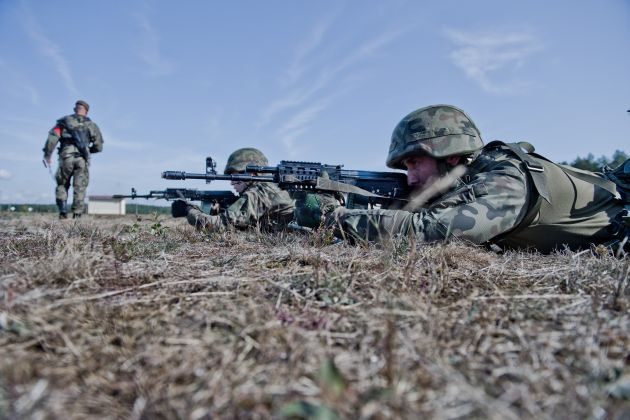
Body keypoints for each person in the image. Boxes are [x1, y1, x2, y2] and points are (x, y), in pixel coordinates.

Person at [327, 104, 629, 253]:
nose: (409, 176)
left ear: (452, 157)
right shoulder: (469, 180)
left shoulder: (506, 181)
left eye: (415, 162)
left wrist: (334, 218)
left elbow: (434, 232)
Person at [171, 148, 296, 232]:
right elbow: (247, 224)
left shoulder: (258, 193)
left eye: (236, 177)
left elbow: (218, 226)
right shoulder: (271, 187)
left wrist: (188, 210)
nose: (231, 183)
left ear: (252, 173)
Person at [43, 100, 104, 219]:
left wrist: (47, 156)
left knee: (62, 184)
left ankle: (63, 212)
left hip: (66, 157)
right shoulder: (91, 125)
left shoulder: (64, 122)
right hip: (82, 158)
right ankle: (77, 215)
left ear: (75, 109)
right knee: (80, 186)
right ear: (86, 111)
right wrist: (88, 151)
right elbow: (99, 146)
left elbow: (52, 140)